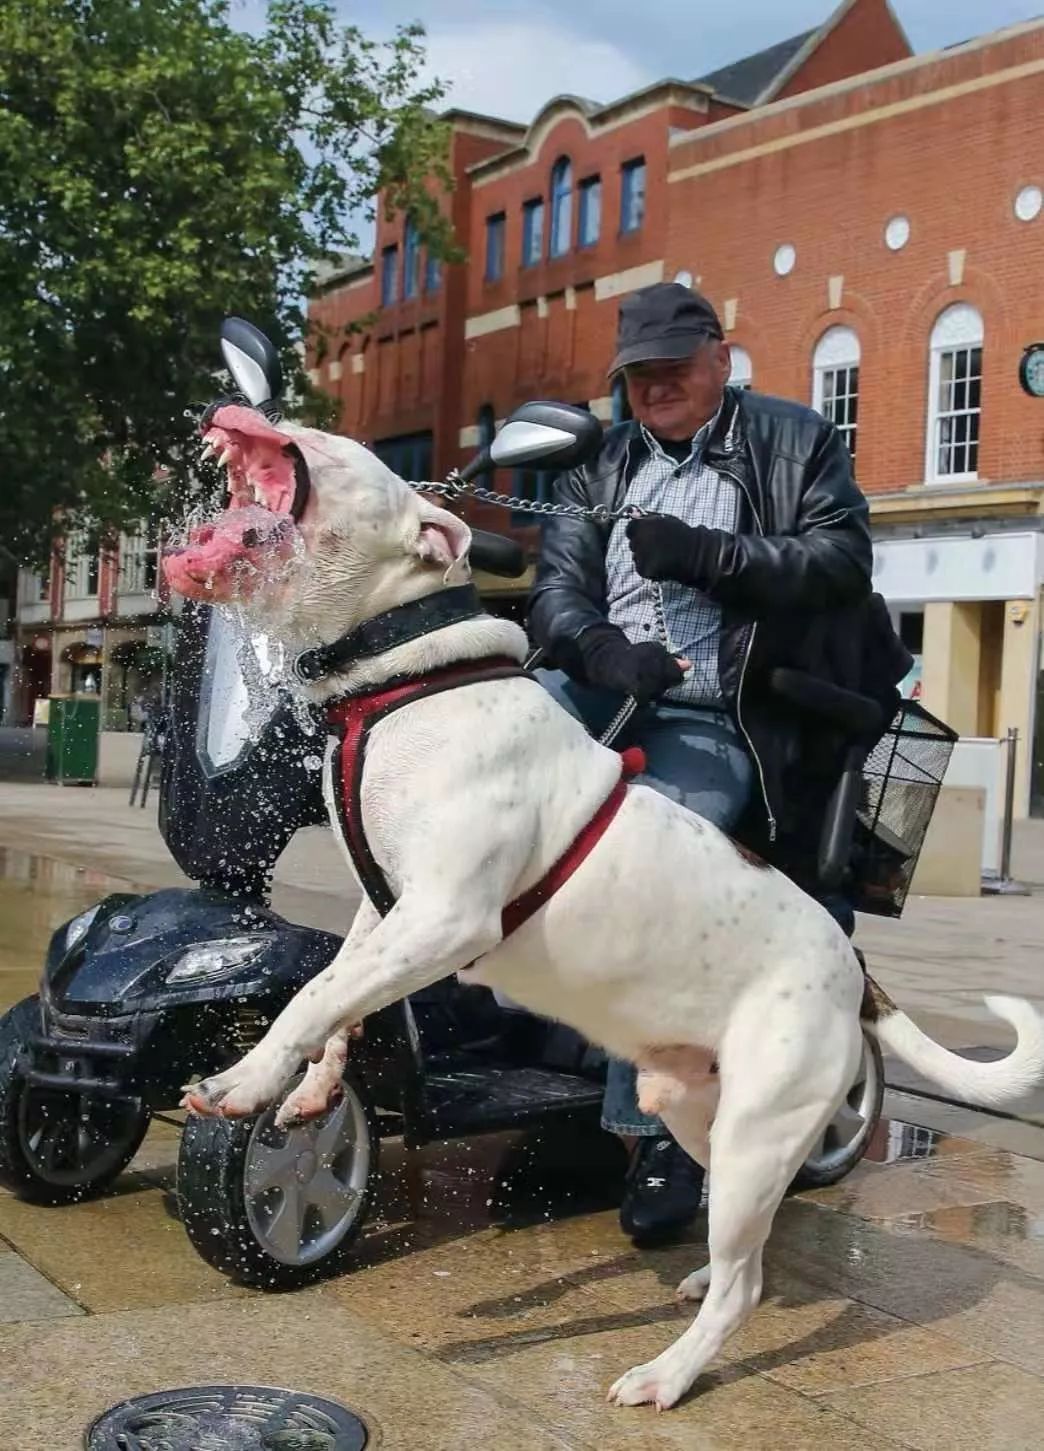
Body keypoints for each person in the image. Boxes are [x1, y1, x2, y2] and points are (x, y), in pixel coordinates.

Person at [528, 281, 874, 1245]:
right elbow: (555, 587)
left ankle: (658, 1134)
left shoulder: (796, 439)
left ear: (721, 358)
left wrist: (713, 557)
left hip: (725, 714)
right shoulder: (600, 462)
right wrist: (595, 647)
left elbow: (843, 560)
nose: (655, 388)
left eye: (674, 367)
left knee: (646, 874)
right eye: (637, 375)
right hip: (603, 688)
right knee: (478, 805)